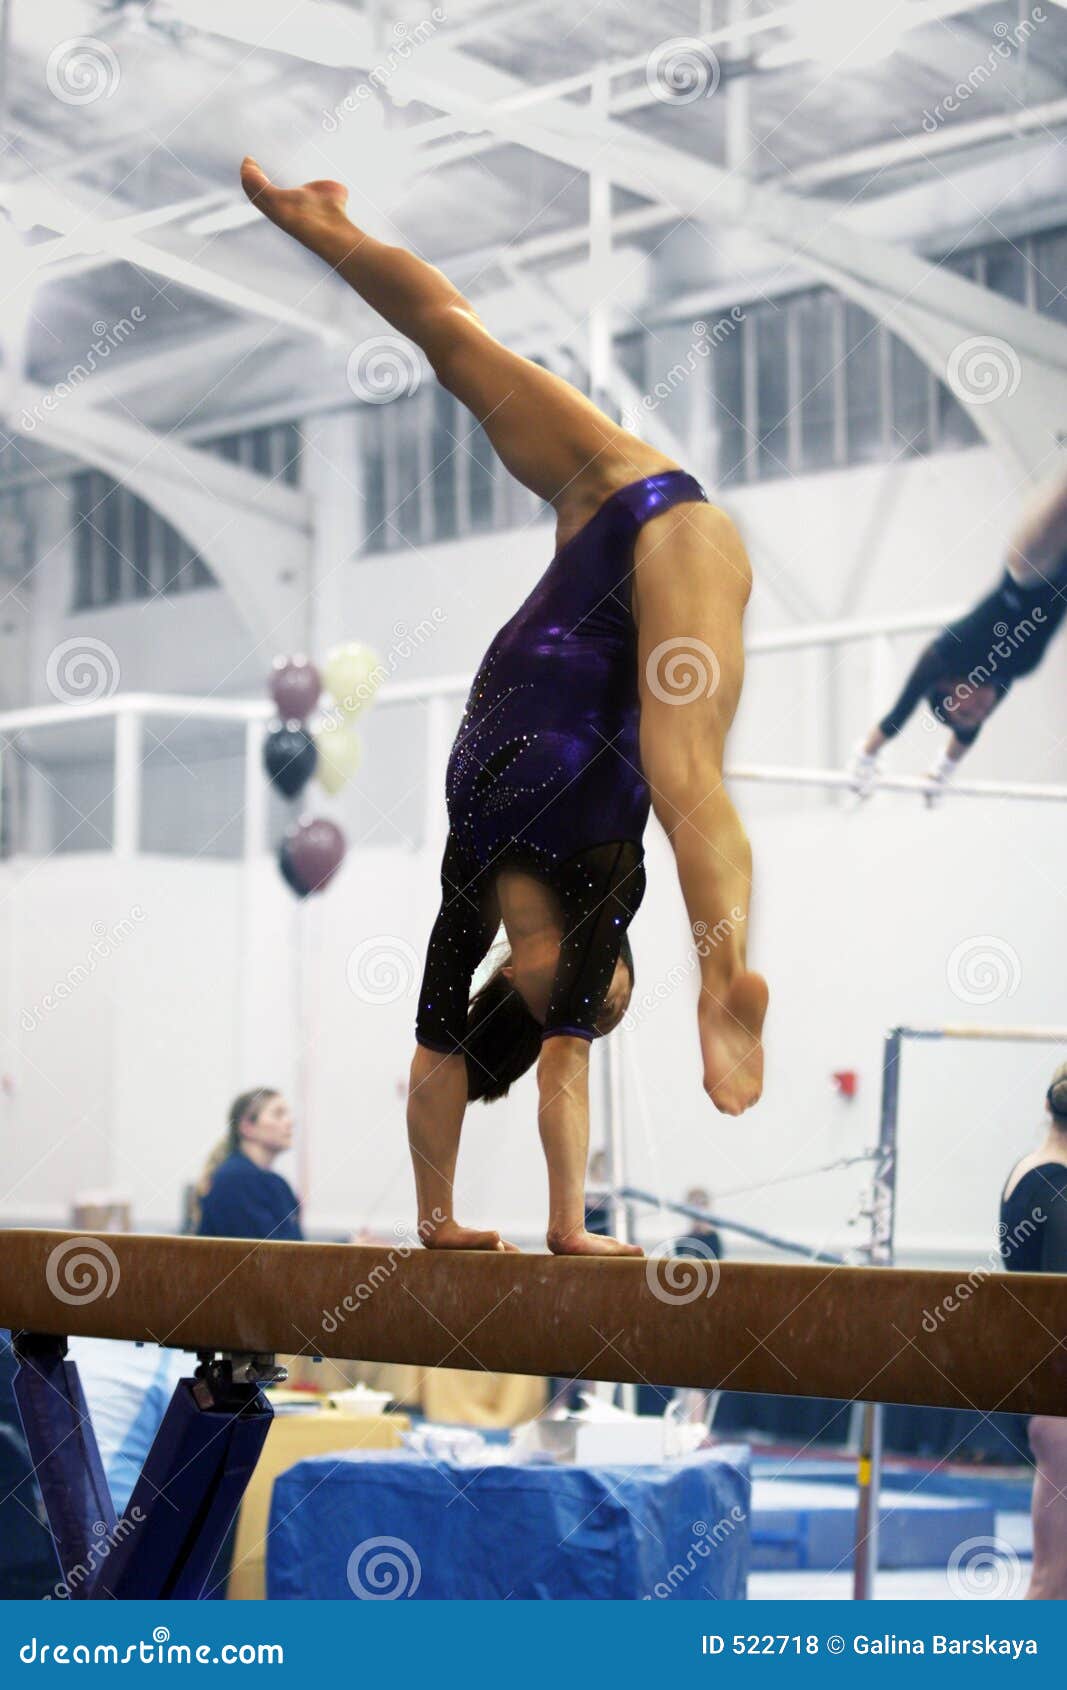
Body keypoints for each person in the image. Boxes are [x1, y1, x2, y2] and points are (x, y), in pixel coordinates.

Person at [242, 158, 767, 1258]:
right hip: (640, 548)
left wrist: (497, 1225)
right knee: (680, 772)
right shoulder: (541, 895)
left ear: (521, 986)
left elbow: (484, 1059)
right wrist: (501, 1225)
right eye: (620, 997)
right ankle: (723, 984)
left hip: (605, 535)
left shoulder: (522, 902)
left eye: (599, 1001)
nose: (608, 992)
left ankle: (328, 226)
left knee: (454, 342)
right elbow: (510, 1063)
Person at [849, 466, 1067, 801]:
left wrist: (864, 758)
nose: (980, 711)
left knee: (1047, 530)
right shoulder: (1004, 677)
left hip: (1028, 570)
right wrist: (941, 774)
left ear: (944, 685)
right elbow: (966, 734)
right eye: (978, 716)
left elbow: (897, 717)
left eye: (965, 709)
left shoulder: (944, 656)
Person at [999, 1060, 1067, 1600]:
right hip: (1061, 1398)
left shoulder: (1028, 1170)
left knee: (1053, 1578)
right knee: (1054, 1581)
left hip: (1049, 1396)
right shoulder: (1057, 1187)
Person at [193, 1088, 303, 1242]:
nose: (290, 1122)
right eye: (278, 1114)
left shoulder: (278, 1183)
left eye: (287, 1114)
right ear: (247, 1127)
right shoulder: (235, 1179)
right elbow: (272, 1256)